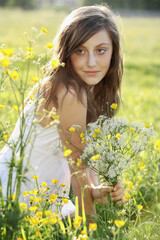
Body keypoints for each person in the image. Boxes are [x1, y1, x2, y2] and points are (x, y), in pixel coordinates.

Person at [0, 5, 124, 220]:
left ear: (113, 52)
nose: (91, 62)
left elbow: (84, 157)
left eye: (101, 50)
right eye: (80, 51)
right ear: (66, 52)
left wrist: (96, 189)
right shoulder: (69, 91)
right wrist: (91, 227)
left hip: (40, 196)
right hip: (15, 198)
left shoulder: (89, 89)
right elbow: (78, 166)